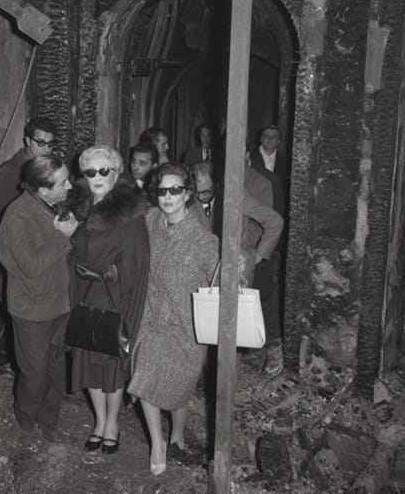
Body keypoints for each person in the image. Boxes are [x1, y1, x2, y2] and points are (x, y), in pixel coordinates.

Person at [127, 162, 219, 476]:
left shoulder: (204, 241)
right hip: (151, 318)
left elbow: (223, 278)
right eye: (162, 191)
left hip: (186, 324)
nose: (167, 197)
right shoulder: (151, 220)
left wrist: (237, 269)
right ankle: (157, 441)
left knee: (180, 386)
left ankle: (177, 433)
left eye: (175, 190)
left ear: (188, 193)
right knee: (145, 375)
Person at [69, 146, 150, 456]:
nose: (98, 177)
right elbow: (70, 249)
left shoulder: (130, 214)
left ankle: (113, 424)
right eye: (91, 172)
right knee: (87, 361)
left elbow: (139, 260)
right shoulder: (77, 209)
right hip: (83, 293)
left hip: (115, 298)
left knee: (111, 365)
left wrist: (114, 274)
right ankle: (99, 422)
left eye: (105, 171)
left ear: (116, 174)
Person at [0, 156, 77, 442]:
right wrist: (63, 236)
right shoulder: (18, 216)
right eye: (62, 182)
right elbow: (31, 265)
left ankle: (48, 421)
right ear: (42, 189)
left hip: (56, 305)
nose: (69, 184)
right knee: (34, 373)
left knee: (55, 369)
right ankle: (25, 425)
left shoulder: (47, 205)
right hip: (32, 310)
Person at [0, 118, 57, 305]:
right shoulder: (9, 171)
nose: (46, 149)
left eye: (50, 144)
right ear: (27, 141)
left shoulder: (50, 171)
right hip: (14, 259)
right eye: (40, 143)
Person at [190, 160, 283, 288]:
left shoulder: (236, 196)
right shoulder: (188, 197)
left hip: (238, 272)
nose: (200, 197)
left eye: (206, 192)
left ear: (217, 185)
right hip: (202, 273)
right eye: (197, 192)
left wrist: (259, 255)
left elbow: (275, 221)